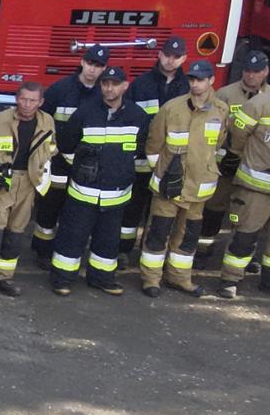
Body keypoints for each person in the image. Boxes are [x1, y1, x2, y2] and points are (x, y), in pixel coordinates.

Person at [51, 65, 148, 296]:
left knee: (107, 243)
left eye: (115, 84)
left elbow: (141, 150)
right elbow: (65, 144)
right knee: (71, 239)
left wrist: (120, 169)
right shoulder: (85, 112)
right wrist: (80, 166)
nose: (109, 88)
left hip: (116, 194)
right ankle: (62, 279)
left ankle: (102, 279)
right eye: (105, 84)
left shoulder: (138, 117)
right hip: (83, 192)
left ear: (125, 86)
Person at [137, 60, 226, 297]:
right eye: (192, 80)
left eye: (200, 80)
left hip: (198, 189)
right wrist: (162, 174)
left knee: (187, 238)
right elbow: (153, 146)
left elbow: (217, 147)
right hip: (169, 187)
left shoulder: (220, 110)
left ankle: (179, 278)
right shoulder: (172, 108)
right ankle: (151, 279)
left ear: (211, 81)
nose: (195, 84)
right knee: (158, 234)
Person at [0, 82, 56, 300]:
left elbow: (50, 150)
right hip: (3, 181)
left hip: (28, 182)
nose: (27, 105)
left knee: (15, 233)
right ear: (16, 99)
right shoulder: (0, 121)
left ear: (41, 102)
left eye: (32, 100)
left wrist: (41, 175)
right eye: (23, 99)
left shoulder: (47, 121)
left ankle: (4, 278)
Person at [33, 45, 109, 256]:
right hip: (58, 160)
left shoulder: (103, 94)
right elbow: (43, 122)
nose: (93, 69)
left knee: (76, 209)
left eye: (99, 65)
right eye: (90, 63)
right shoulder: (61, 89)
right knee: (51, 205)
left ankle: (65, 249)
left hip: (88, 162)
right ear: (82, 62)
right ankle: (42, 250)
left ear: (104, 68)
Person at [127, 38, 191, 258]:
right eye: (167, 55)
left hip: (172, 160)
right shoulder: (141, 83)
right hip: (142, 156)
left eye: (176, 57)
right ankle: (122, 251)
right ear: (159, 55)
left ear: (184, 58)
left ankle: (150, 252)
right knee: (133, 207)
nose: (170, 60)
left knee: (160, 212)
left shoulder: (188, 86)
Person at [209, 50, 270, 261]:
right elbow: (214, 127)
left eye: (256, 72)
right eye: (247, 71)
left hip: (253, 168)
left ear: (266, 72)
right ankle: (203, 250)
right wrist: (226, 156)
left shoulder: (268, 97)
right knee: (214, 208)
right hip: (227, 163)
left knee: (247, 217)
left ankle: (247, 259)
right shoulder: (225, 94)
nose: (251, 76)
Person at [216, 77, 270, 297]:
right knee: (245, 235)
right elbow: (238, 136)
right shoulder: (260, 104)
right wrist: (239, 155)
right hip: (255, 187)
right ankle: (230, 279)